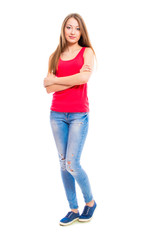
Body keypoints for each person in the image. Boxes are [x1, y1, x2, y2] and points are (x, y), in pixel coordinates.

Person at [44, 13, 97, 226]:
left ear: (82, 31)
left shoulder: (88, 52)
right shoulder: (54, 56)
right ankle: (73, 209)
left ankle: (91, 202)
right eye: (69, 27)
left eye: (77, 28)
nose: (73, 32)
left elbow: (84, 78)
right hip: (57, 114)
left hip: (78, 115)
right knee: (63, 164)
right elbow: (48, 88)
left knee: (72, 163)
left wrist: (58, 80)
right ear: (63, 30)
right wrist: (69, 80)